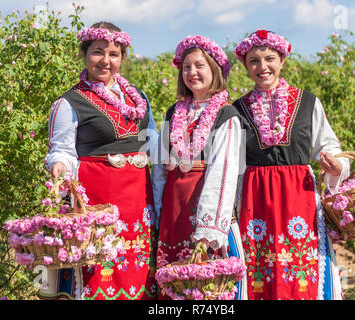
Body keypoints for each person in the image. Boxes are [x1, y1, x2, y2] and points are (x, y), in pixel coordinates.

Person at [42, 22, 158, 300]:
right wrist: (58, 166)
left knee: (138, 273)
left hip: (139, 202)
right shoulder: (70, 102)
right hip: (98, 203)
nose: (106, 61)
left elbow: (153, 143)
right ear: (85, 54)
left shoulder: (138, 98)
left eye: (114, 54)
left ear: (122, 58)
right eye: (98, 52)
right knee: (99, 277)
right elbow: (62, 151)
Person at [232, 29, 350, 300]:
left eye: (270, 59)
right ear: (245, 66)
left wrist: (335, 165)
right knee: (259, 271)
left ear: (282, 60)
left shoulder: (308, 102)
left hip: (300, 197)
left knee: (303, 270)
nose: (263, 67)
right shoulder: (235, 110)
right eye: (254, 61)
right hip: (255, 199)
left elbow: (328, 144)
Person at [151, 35, 247, 299]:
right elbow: (160, 167)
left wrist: (208, 228)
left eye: (199, 66)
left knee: (204, 284)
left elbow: (223, 171)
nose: (192, 72)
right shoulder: (174, 112)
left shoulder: (226, 115)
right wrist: (159, 211)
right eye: (186, 67)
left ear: (214, 70)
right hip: (174, 207)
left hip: (202, 207)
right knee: (175, 281)